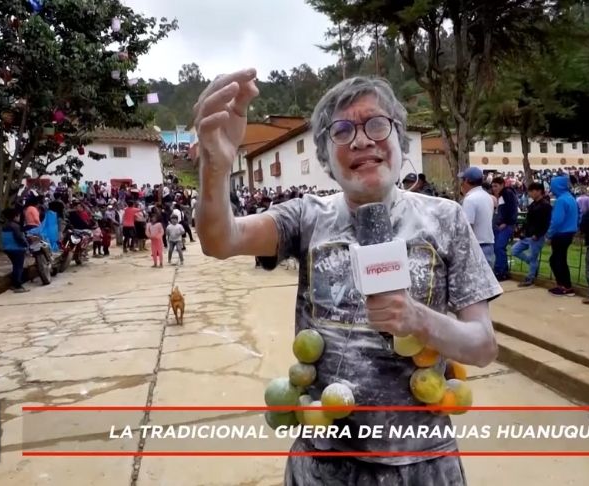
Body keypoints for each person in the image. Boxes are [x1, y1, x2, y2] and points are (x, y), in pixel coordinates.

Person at [194, 70, 501, 484]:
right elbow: (220, 239)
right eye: (341, 131)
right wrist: (216, 167)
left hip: (424, 466)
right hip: (323, 465)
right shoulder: (306, 216)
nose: (361, 140)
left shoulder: (445, 218)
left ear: (400, 140)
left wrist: (419, 319)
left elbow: (482, 346)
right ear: (325, 159)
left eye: (377, 124)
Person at [512, 182, 551, 287]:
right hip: (528, 234)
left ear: (539, 191)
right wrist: (521, 232)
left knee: (533, 256)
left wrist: (538, 234)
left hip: (536, 236)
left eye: (532, 191)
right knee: (515, 250)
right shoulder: (532, 205)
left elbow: (546, 223)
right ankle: (532, 265)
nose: (530, 193)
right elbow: (527, 221)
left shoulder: (545, 206)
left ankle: (530, 277)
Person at [545, 175, 578, 296]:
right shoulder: (570, 198)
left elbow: (557, 220)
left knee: (557, 260)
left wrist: (549, 234)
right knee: (558, 259)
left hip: (561, 233)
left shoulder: (561, 200)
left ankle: (565, 286)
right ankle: (563, 285)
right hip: (569, 232)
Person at [459, 167, 495, 268]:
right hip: (489, 244)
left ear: (466, 181)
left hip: (476, 247)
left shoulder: (470, 199)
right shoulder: (487, 197)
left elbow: (467, 227)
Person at [491, 176, 519, 281]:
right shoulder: (502, 195)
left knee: (499, 247)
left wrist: (506, 222)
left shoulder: (507, 193)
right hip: (502, 224)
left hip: (506, 225)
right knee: (499, 248)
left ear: (502, 185)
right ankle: (503, 270)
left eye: (496, 186)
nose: (494, 188)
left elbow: (512, 209)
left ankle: (501, 271)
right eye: (493, 186)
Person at [0, 208, 29, 293]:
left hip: (8, 248)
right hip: (17, 248)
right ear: (15, 216)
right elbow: (19, 238)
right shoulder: (15, 226)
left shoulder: (5, 225)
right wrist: (26, 244)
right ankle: (18, 285)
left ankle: (14, 284)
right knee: (18, 267)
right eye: (18, 215)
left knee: (15, 266)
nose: (19, 217)